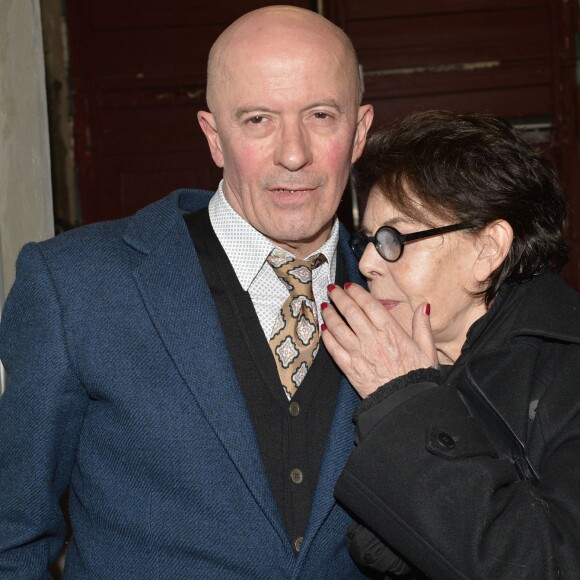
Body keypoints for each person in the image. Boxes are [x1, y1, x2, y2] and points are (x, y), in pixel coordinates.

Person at [0, 6, 373, 578]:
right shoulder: (75, 288)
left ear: (360, 131)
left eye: (321, 115)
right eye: (257, 120)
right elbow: (11, 535)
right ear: (214, 137)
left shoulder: (406, 292)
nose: (293, 153)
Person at [321, 110, 580, 579]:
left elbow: (547, 565)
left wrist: (404, 400)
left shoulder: (568, 376)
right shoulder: (379, 362)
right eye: (369, 242)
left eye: (394, 238)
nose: (370, 264)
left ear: (487, 250)